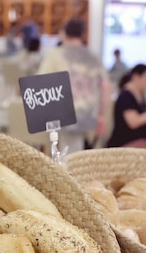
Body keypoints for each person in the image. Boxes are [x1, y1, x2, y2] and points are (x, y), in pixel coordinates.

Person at [36, 18, 111, 154]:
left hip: (65, 114)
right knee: (86, 154)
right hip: (90, 113)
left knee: (68, 155)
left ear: (64, 34)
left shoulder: (55, 55)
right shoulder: (92, 56)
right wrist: (102, 115)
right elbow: (105, 86)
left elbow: (41, 82)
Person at [106, 63, 146, 148]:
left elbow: (144, 114)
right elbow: (134, 122)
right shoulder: (126, 96)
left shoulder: (139, 94)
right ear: (136, 77)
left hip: (138, 140)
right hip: (125, 143)